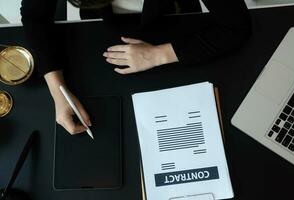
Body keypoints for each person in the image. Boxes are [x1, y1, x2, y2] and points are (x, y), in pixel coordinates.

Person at [20, 0, 252, 135]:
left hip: (173, 15)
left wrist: (159, 54)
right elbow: (34, 17)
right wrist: (58, 91)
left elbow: (236, 26)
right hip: (102, 22)